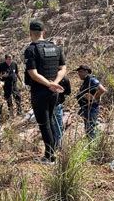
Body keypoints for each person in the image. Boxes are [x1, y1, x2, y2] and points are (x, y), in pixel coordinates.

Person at [24, 20, 66, 164]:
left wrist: (49, 84)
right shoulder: (55, 48)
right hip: (54, 92)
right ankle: (53, 153)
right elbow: (63, 68)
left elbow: (33, 74)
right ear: (44, 32)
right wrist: (55, 83)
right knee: (52, 122)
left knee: (44, 124)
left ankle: (50, 157)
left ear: (30, 33)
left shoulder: (31, 49)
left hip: (40, 92)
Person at [76, 65, 107, 139]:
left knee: (91, 130)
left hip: (91, 109)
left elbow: (102, 90)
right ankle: (90, 145)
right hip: (86, 108)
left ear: (86, 72)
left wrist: (94, 98)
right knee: (88, 129)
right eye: (78, 72)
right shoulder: (86, 81)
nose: (79, 74)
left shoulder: (91, 80)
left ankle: (92, 146)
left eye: (80, 72)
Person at [51, 76, 71, 148]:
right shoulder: (65, 79)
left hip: (50, 104)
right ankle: (58, 144)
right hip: (57, 104)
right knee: (58, 125)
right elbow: (68, 92)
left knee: (53, 124)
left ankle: (56, 144)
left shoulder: (47, 77)